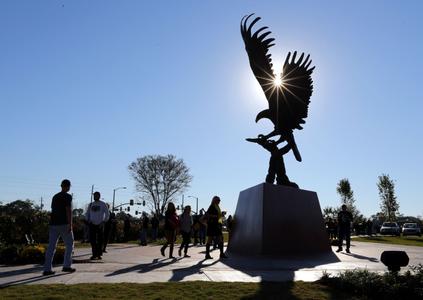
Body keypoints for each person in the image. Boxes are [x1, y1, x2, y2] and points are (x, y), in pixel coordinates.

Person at [43, 179, 75, 275]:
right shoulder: (68, 196)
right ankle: (66, 266)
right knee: (69, 245)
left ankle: (47, 269)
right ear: (68, 186)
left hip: (53, 224)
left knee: (51, 246)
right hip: (64, 223)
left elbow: (53, 210)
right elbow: (68, 210)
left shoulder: (55, 196)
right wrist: (70, 224)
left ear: (61, 186)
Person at [86, 191, 110, 260]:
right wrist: (87, 220)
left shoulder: (103, 204)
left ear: (99, 196)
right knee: (92, 240)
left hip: (100, 224)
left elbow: (107, 214)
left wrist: (104, 221)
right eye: (94, 195)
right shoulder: (91, 204)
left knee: (100, 240)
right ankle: (94, 254)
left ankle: (99, 254)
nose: (95, 197)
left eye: (96, 195)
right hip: (92, 224)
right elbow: (87, 213)